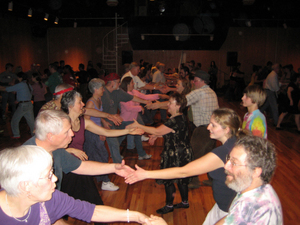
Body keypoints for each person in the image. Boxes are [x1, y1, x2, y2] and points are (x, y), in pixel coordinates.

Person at [126, 108, 244, 224]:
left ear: (227, 129)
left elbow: (184, 172)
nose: (208, 127)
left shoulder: (223, 153)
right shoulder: (236, 143)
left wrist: (145, 174)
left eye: (213, 125)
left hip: (227, 210)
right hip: (225, 205)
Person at [0, 145, 150, 224]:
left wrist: (137, 216)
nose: (55, 179)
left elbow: (91, 211)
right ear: (25, 185)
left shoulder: (51, 198)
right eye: (48, 176)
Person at [59, 90, 144, 202]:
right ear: (70, 106)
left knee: (93, 201)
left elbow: (106, 132)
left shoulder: (83, 122)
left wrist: (128, 131)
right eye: (80, 102)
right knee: (63, 203)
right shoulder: (60, 124)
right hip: (65, 169)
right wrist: (71, 150)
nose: (83, 104)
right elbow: (51, 148)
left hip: (81, 167)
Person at [126, 93, 193, 215]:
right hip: (183, 152)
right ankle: (184, 202)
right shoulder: (181, 117)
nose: (167, 104)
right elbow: (172, 132)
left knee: (168, 178)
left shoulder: (174, 120)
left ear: (178, 106)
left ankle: (169, 205)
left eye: (170, 103)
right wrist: (158, 135)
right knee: (182, 179)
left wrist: (139, 125)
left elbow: (158, 129)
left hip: (175, 154)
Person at [215, 135, 283, 225]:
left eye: (234, 163)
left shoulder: (250, 207)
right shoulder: (263, 189)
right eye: (229, 158)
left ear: (255, 172)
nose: (226, 166)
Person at [101, 73, 151, 163]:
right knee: (103, 147)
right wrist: (103, 122)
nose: (120, 84)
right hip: (101, 123)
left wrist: (145, 102)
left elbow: (132, 98)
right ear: (112, 83)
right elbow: (96, 110)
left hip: (113, 122)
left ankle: (118, 164)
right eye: (118, 82)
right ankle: (114, 166)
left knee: (115, 144)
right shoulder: (103, 92)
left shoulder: (117, 91)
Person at [84, 78, 120, 191]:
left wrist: (104, 123)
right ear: (95, 89)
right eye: (101, 88)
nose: (103, 90)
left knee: (95, 156)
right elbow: (86, 121)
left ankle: (93, 179)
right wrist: (99, 131)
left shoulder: (98, 99)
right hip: (92, 134)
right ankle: (105, 181)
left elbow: (98, 115)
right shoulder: (90, 103)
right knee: (102, 155)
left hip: (97, 131)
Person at [119, 77, 167, 159]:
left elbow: (145, 97)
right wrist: (140, 108)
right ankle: (114, 154)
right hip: (125, 121)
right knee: (119, 139)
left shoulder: (134, 92)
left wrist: (158, 96)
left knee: (138, 137)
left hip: (134, 120)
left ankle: (141, 154)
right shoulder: (123, 95)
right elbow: (128, 108)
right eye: (132, 82)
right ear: (127, 85)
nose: (133, 84)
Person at [0, 72, 34, 138]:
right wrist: (18, 100)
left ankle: (16, 135)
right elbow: (28, 93)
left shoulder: (21, 84)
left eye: (17, 77)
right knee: (31, 122)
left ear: (20, 78)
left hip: (23, 105)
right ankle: (34, 134)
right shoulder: (27, 84)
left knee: (14, 120)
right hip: (29, 104)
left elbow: (6, 89)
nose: (17, 78)